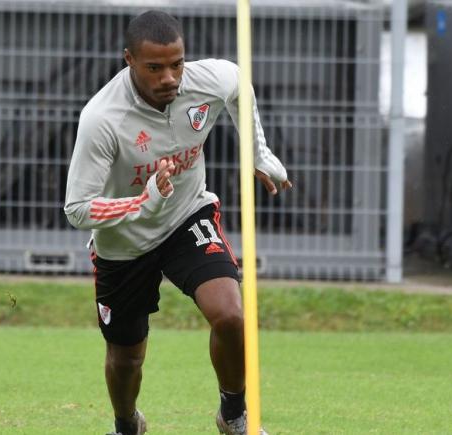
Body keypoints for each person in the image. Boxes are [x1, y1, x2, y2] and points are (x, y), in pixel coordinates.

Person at [64, 10, 291, 435]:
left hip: (187, 215)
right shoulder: (101, 119)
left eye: (177, 64)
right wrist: (143, 201)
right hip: (124, 242)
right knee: (127, 358)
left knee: (230, 315)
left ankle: (234, 415)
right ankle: (127, 423)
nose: (170, 77)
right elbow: (77, 208)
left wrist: (258, 154)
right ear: (128, 60)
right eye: (154, 67)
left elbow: (238, 82)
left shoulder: (206, 81)